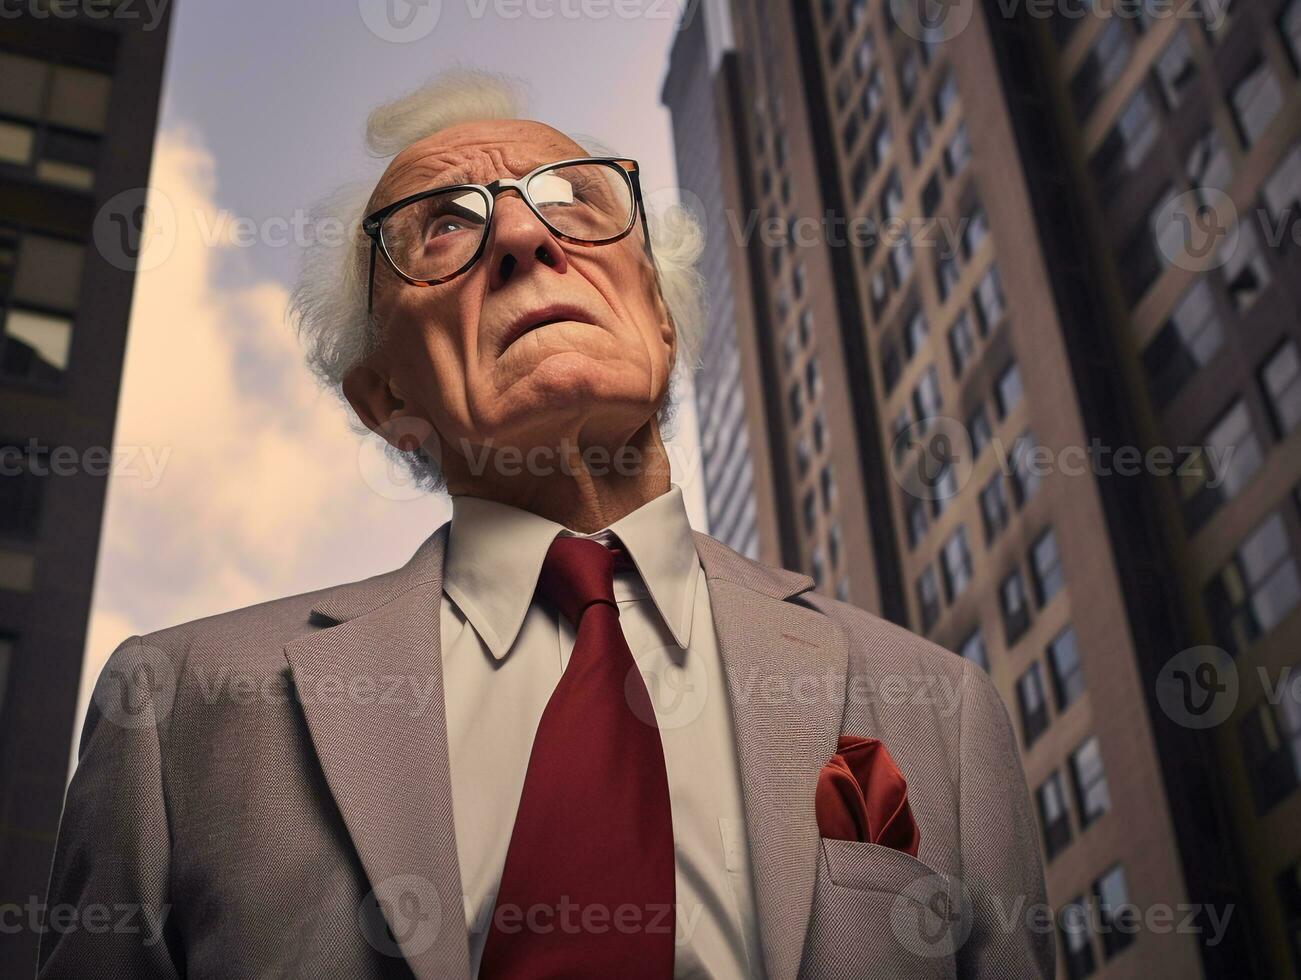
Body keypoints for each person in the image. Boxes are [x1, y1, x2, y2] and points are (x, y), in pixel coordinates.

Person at [37, 71, 1052, 979]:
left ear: (654, 309)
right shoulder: (176, 710)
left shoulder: (939, 707)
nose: (525, 236)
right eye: (442, 225)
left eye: (570, 201)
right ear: (386, 395)